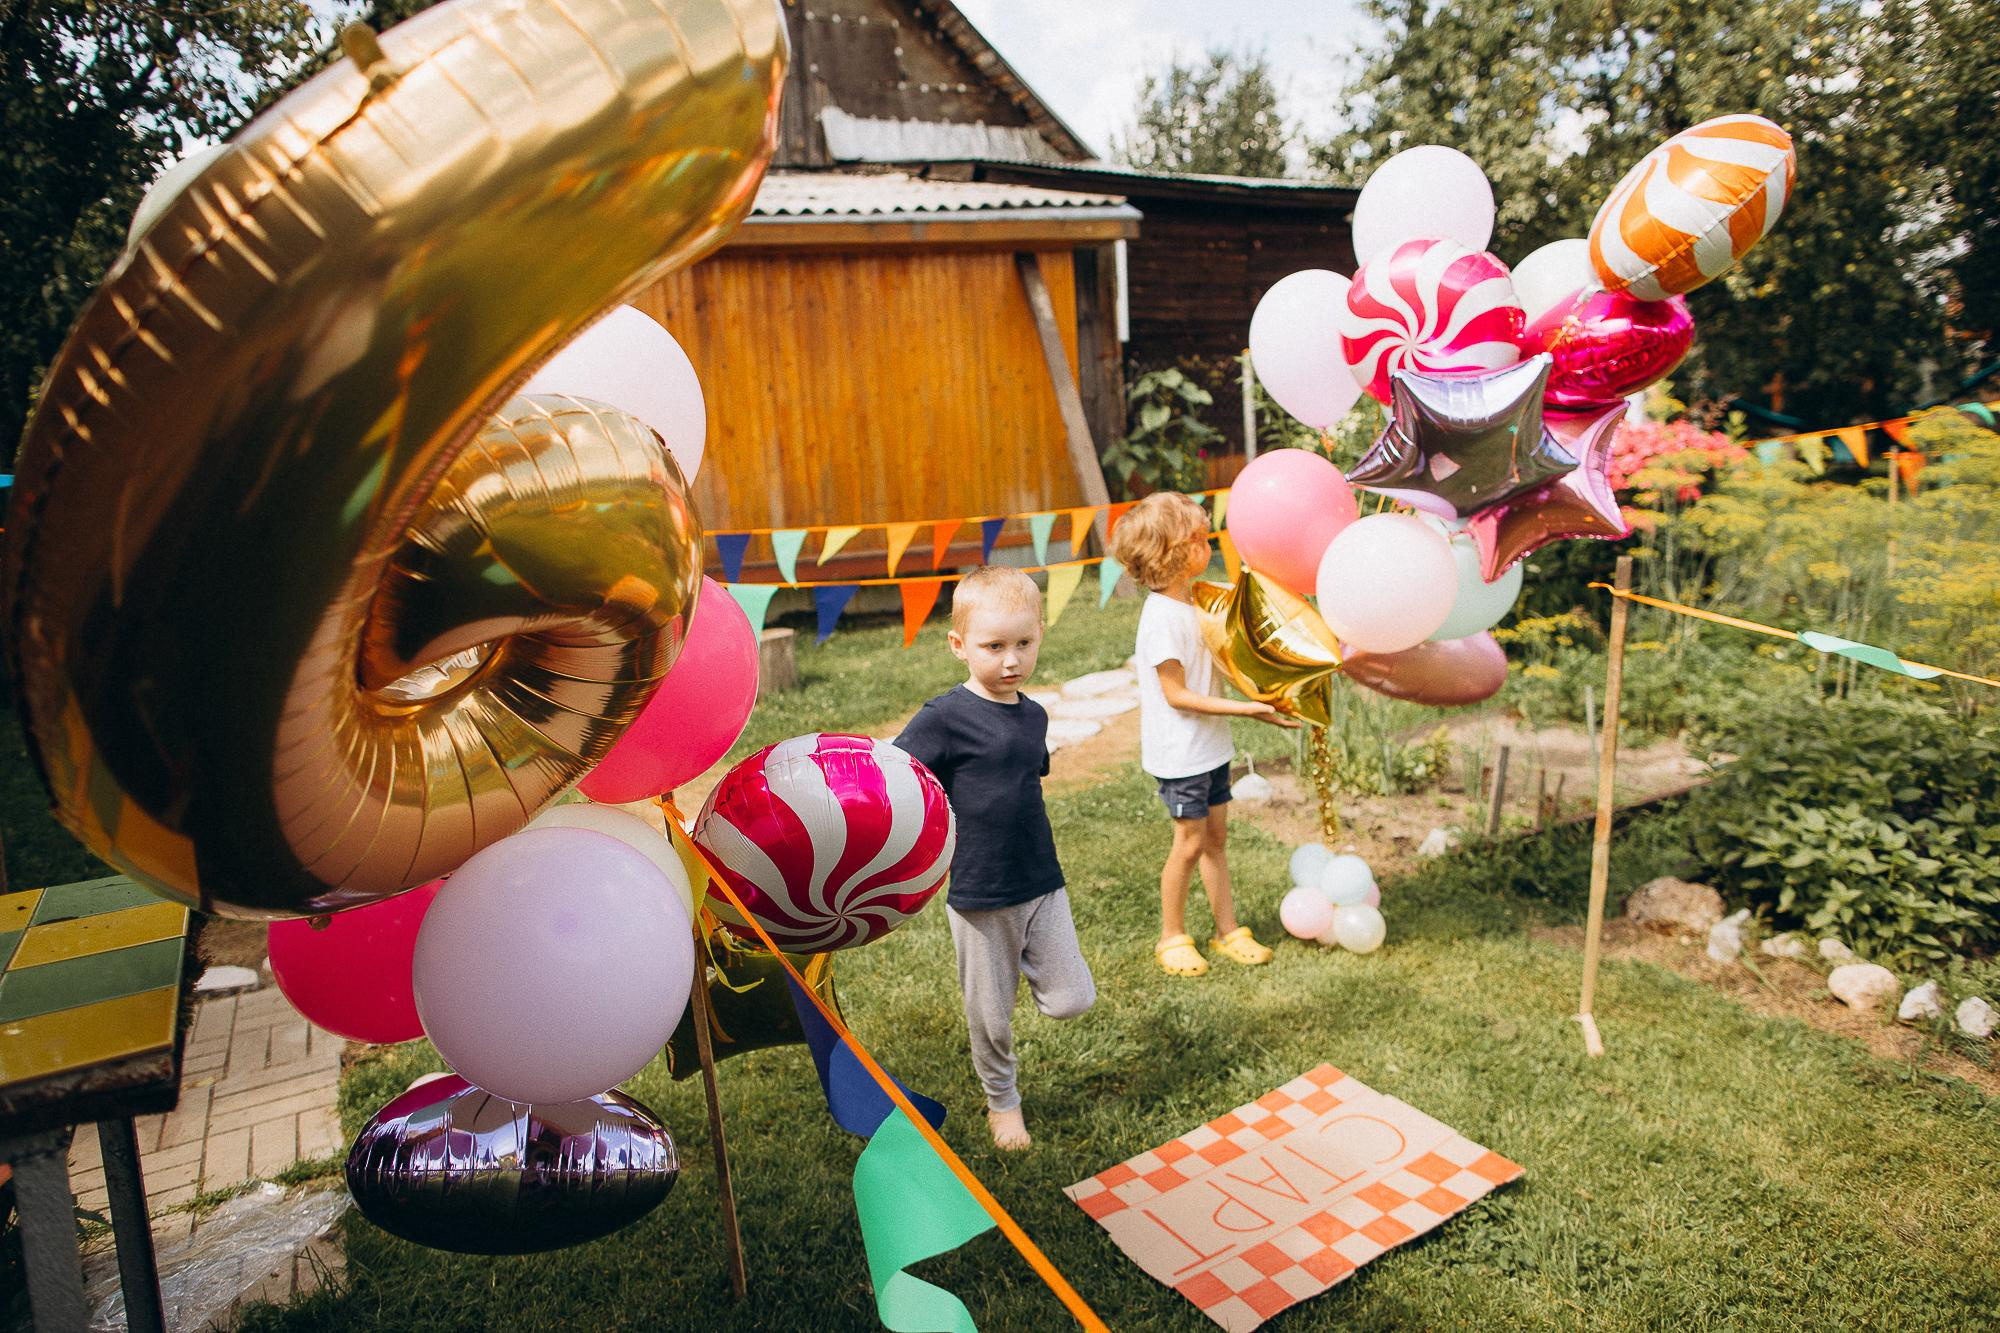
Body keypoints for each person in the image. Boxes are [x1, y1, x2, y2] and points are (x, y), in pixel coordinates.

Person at [894, 566, 1095, 1150]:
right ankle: (1002, 1101)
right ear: (959, 646)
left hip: (1041, 878)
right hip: (980, 893)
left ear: (1038, 635)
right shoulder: (944, 717)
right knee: (990, 1014)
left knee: (1071, 999)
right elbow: (899, 777)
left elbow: (1024, 782)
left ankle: (1029, 968)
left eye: (1024, 644)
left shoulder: (1033, 716)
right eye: (994, 646)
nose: (1011, 660)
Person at [1108, 492, 1297, 978]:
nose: (1208, 543)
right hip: (1181, 755)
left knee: (1216, 839)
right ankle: (1171, 936)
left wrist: (1262, 691)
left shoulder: (1196, 600)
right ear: (1171, 551)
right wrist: (1249, 710)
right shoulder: (1161, 620)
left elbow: (1220, 660)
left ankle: (1226, 929)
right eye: (1199, 537)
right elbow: (1177, 694)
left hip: (1210, 747)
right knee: (1189, 844)